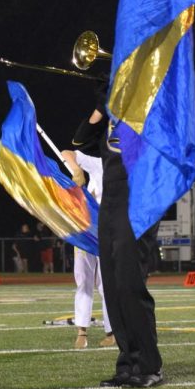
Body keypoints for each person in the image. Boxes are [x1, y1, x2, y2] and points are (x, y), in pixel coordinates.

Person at [72, 84, 163, 389]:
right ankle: (127, 363)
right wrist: (100, 107)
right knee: (112, 286)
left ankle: (149, 365)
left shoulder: (146, 112)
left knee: (130, 284)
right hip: (109, 203)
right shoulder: (109, 117)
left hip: (137, 203)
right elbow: (80, 141)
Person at [60, 148, 115, 350]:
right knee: (84, 281)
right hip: (87, 229)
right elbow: (67, 153)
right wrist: (76, 169)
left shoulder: (132, 170)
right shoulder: (101, 164)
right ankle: (81, 332)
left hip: (110, 232)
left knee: (107, 284)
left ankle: (112, 332)